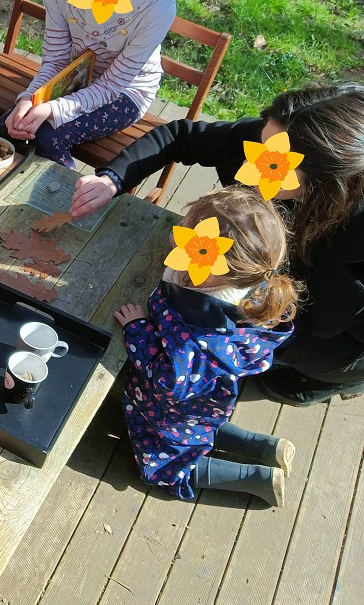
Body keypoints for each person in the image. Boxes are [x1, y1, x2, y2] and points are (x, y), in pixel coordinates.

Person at [72, 83, 364, 406]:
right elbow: (180, 136)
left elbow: (318, 320)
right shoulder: (281, 141)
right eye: (261, 145)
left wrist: (236, 294)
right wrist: (112, 178)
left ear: (327, 186)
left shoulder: (351, 237)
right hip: (280, 284)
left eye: (273, 166)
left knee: (210, 387)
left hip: (335, 339)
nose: (253, 169)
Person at [116, 187, 299, 506]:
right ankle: (267, 447)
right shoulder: (243, 280)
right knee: (204, 426)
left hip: (176, 404)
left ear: (207, 268)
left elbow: (168, 382)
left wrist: (139, 331)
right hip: (203, 401)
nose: (176, 237)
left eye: (188, 236)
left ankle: (258, 480)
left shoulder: (200, 333)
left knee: (164, 464)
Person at [0, 0, 176, 168]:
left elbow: (112, 86)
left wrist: (52, 109)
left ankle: (66, 202)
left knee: (49, 136)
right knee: (7, 128)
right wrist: (28, 99)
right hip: (73, 75)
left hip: (126, 93)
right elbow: (55, 60)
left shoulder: (157, 7)